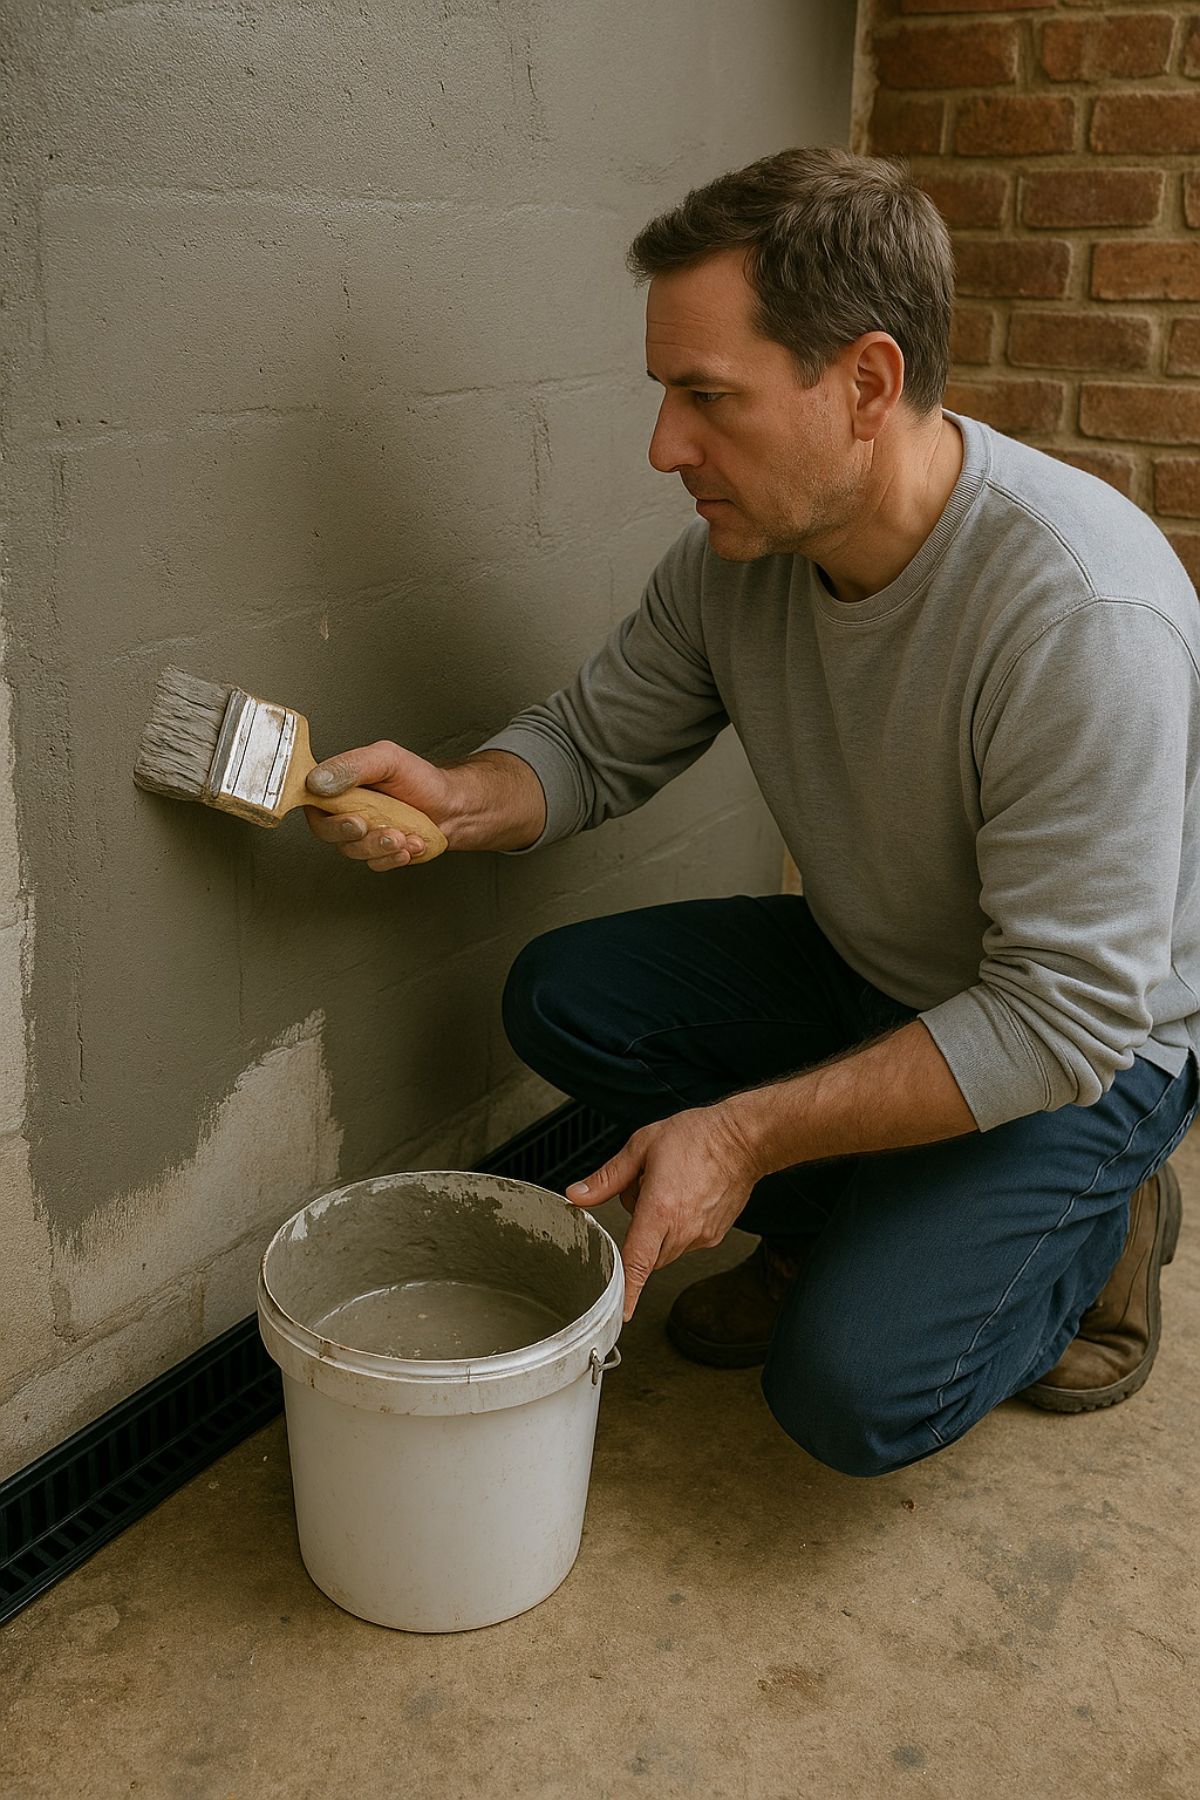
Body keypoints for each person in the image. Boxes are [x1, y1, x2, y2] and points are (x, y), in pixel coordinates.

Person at [303, 146, 1200, 1477]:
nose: (667, 447)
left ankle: (1098, 1229)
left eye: (707, 398)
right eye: (667, 394)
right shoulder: (742, 564)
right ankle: (872, 1208)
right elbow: (592, 744)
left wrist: (743, 1133)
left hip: (1089, 1051)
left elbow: (1061, 1012)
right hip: (877, 970)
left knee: (851, 1393)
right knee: (560, 993)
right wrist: (462, 798)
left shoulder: (1082, 612)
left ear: (867, 384)